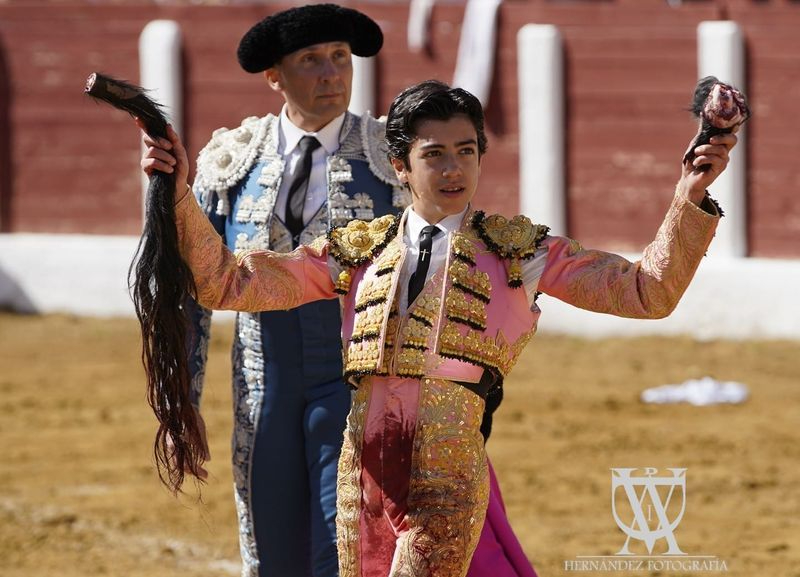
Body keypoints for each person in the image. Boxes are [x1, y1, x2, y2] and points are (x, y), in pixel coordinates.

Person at [143, 79, 735, 577]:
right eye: (434, 155)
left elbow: (645, 291)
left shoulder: (519, 252)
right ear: (401, 165)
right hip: (362, 469)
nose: (454, 169)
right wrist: (175, 194)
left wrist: (689, 196)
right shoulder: (358, 250)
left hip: (448, 467)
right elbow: (229, 283)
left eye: (466, 151)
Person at [145, 4, 535, 577]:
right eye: (311, 61)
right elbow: (190, 285)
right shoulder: (231, 161)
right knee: (272, 547)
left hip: (360, 389)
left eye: (339, 58)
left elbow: (447, 263)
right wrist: (183, 399)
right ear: (274, 76)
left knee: (350, 548)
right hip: (262, 390)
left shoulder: (392, 157)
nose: (332, 74)